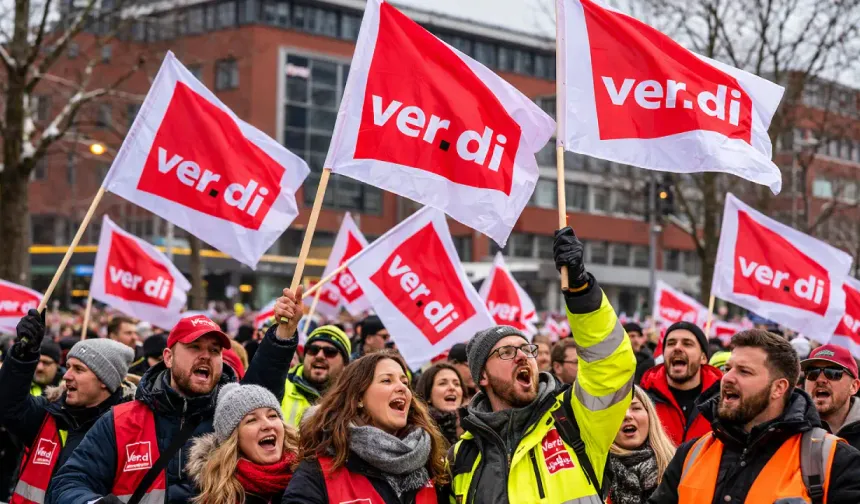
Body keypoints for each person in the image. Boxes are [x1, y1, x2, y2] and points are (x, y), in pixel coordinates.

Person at [48, 287, 305, 504]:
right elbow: (69, 483)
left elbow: (263, 385)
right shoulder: (121, 421)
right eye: (195, 347)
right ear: (168, 358)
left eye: (214, 350)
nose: (206, 355)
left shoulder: (232, 417)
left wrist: (283, 334)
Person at [448, 227, 635, 504]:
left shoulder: (576, 419)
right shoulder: (461, 456)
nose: (522, 357)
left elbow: (611, 365)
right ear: (482, 376)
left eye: (526, 349)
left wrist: (582, 291)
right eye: (506, 352)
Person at [648, 329, 860, 504]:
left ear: (779, 388)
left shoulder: (835, 460)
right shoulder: (691, 453)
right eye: (728, 368)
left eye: (744, 371)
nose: (727, 378)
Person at [0, 310, 135, 504]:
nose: (66, 376)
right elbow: (7, 405)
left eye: (78, 369)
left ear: (105, 380)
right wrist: (23, 357)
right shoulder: (49, 413)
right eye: (68, 366)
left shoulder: (127, 427)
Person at [282, 352, 449, 504]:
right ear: (359, 398)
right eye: (386, 380)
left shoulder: (433, 467)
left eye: (405, 382)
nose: (402, 388)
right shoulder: (318, 470)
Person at [187, 383, 298, 504]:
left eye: (272, 416)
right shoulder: (216, 496)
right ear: (234, 439)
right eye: (252, 420)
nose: (268, 425)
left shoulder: (307, 476)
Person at [639, 321, 721, 446]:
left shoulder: (722, 402)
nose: (677, 348)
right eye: (671, 343)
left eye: (687, 344)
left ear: (703, 358)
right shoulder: (643, 401)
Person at [605, 386, 675, 504]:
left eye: (636, 408)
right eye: (618, 409)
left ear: (650, 416)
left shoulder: (678, 466)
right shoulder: (595, 472)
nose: (627, 415)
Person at [281, 325, 351, 426]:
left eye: (330, 352)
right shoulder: (281, 385)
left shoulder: (352, 401)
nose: (319, 356)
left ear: (345, 364)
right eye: (313, 350)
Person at [802, 344, 860, 450]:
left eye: (833, 372)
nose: (820, 379)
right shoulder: (787, 428)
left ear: (854, 386)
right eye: (812, 372)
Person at [415, 362, 464, 446]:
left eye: (457, 384)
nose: (452, 388)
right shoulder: (418, 434)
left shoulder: (473, 427)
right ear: (428, 395)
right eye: (442, 383)